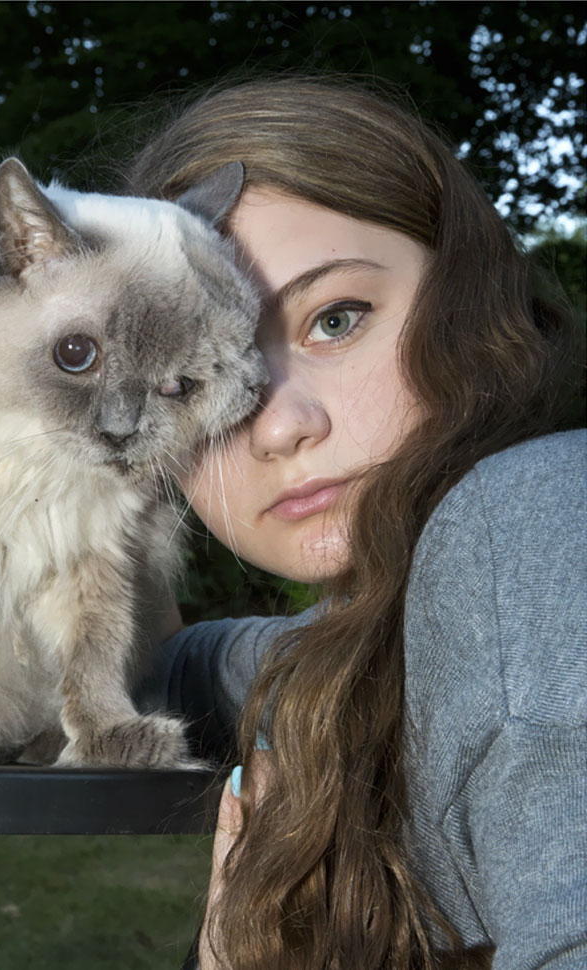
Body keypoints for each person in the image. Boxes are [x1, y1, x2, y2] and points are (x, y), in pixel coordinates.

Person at [128, 78, 586, 970]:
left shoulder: (531, 520)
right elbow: (178, 668)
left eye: (336, 320)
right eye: (191, 379)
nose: (277, 424)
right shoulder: (345, 658)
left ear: (469, 298)